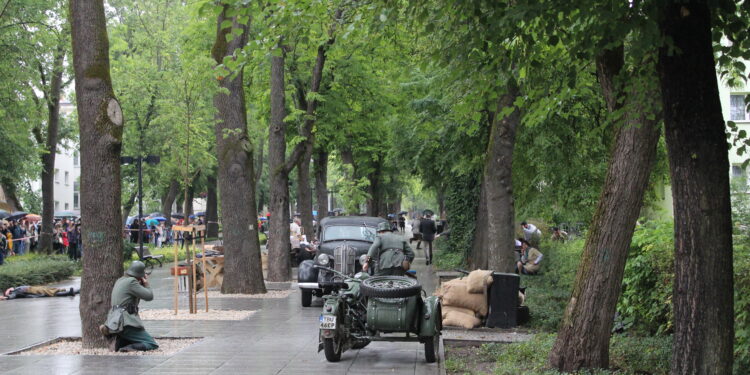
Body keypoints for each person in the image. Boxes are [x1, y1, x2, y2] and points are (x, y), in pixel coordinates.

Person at [99, 261, 159, 352]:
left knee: (129, 337)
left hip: (114, 319)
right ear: (140, 275)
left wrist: (140, 284)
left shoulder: (120, 280)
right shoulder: (132, 282)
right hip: (126, 321)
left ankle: (116, 339)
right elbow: (149, 296)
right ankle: (130, 348)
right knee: (151, 344)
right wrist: (146, 284)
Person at [1, 285, 79, 300]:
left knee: (49, 289)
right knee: (47, 291)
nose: (8, 289)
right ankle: (69, 292)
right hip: (31, 290)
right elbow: (12, 296)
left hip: (32, 288)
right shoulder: (14, 292)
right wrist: (5, 297)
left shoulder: (16, 288)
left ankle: (66, 291)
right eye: (7, 290)